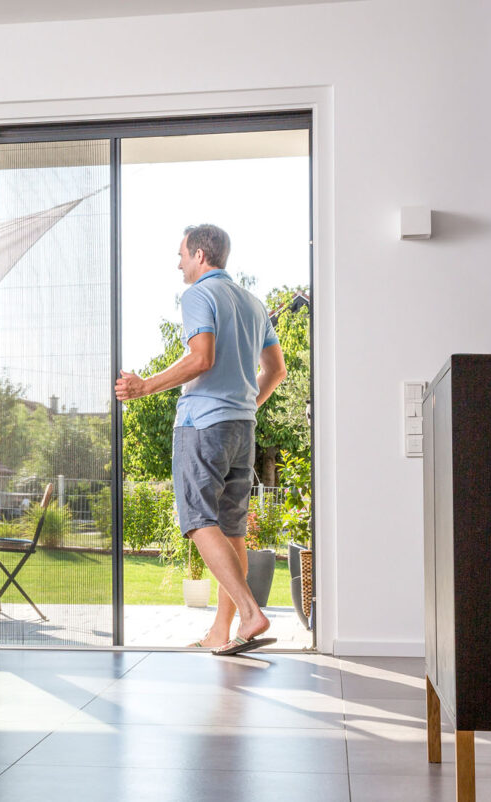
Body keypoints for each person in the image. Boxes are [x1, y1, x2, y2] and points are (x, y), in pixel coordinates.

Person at [115, 223, 287, 655]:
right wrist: (245, 405)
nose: (178, 263)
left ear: (200, 256)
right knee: (231, 530)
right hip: (241, 427)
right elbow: (276, 370)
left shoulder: (197, 295)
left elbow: (201, 358)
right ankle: (223, 630)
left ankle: (250, 613)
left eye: (181, 255)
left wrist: (145, 386)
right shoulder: (253, 302)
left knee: (196, 520)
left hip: (203, 424)